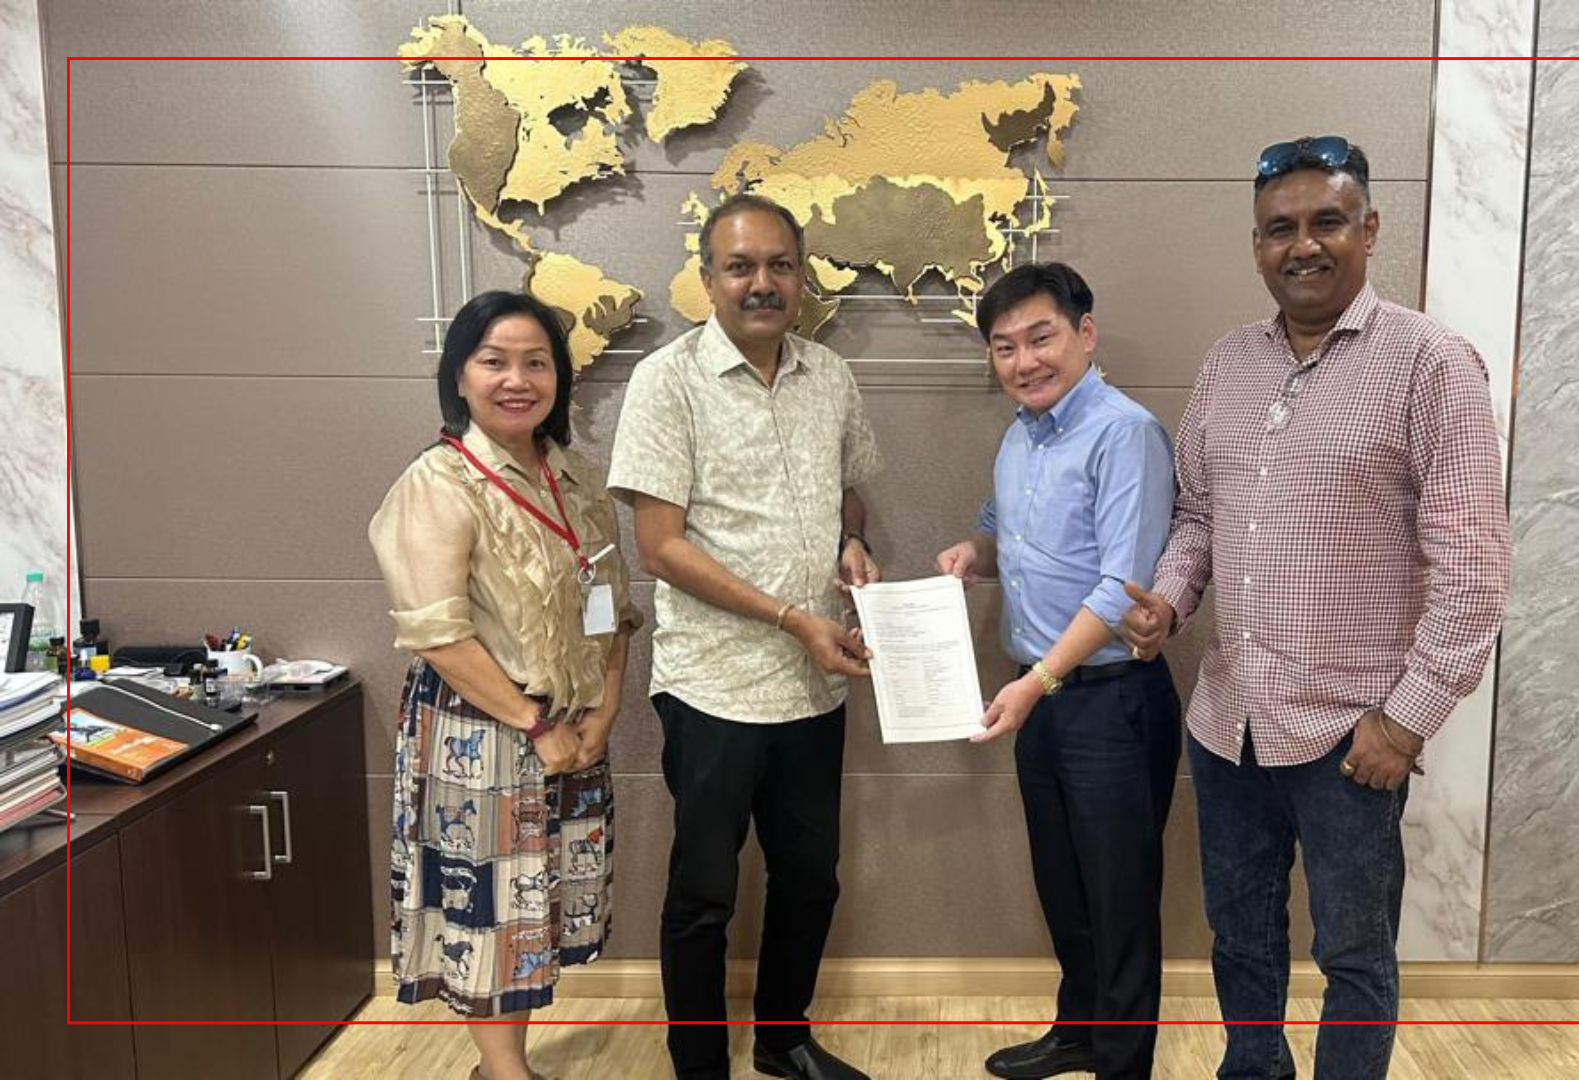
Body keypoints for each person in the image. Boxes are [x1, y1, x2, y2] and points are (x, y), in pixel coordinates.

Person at [1119, 136, 1511, 1080]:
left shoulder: (1431, 363)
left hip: (1352, 737)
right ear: (1257, 245)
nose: (1303, 245)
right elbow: (1200, 513)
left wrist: (1405, 723)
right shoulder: (1228, 364)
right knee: (1240, 935)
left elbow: (1473, 570)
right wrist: (1170, 601)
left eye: (1326, 222)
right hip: (1229, 724)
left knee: (1355, 955)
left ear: (1369, 230)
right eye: (1279, 228)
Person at [608, 193, 882, 1080]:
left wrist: (851, 543)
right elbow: (659, 546)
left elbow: (849, 489)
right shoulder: (667, 381)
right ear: (707, 279)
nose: (761, 283)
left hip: (814, 686)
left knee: (811, 878)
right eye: (740, 267)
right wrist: (789, 617)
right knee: (704, 892)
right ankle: (699, 1066)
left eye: (779, 265)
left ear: (801, 277)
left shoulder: (829, 375)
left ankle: (782, 1040)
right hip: (713, 686)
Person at [370, 290, 641, 1080]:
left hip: (571, 723)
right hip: (482, 728)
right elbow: (439, 635)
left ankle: (502, 1066)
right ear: (460, 376)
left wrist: (605, 707)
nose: (517, 380)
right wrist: (535, 723)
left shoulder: (575, 477)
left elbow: (612, 607)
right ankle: (505, 1073)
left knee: (534, 905)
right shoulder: (439, 482)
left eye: (536, 362)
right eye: (494, 362)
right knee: (489, 909)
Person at [935, 263, 1182, 1080]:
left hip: (1111, 702)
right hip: (1042, 699)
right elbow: (1000, 530)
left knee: (1120, 902)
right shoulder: (1020, 434)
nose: (1024, 361)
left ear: (1085, 333)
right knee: (1064, 885)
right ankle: (1079, 1032)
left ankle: (1122, 1064)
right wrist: (972, 554)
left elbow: (1120, 587)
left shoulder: (1125, 433)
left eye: (1040, 338)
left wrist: (1037, 681)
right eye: (1004, 347)